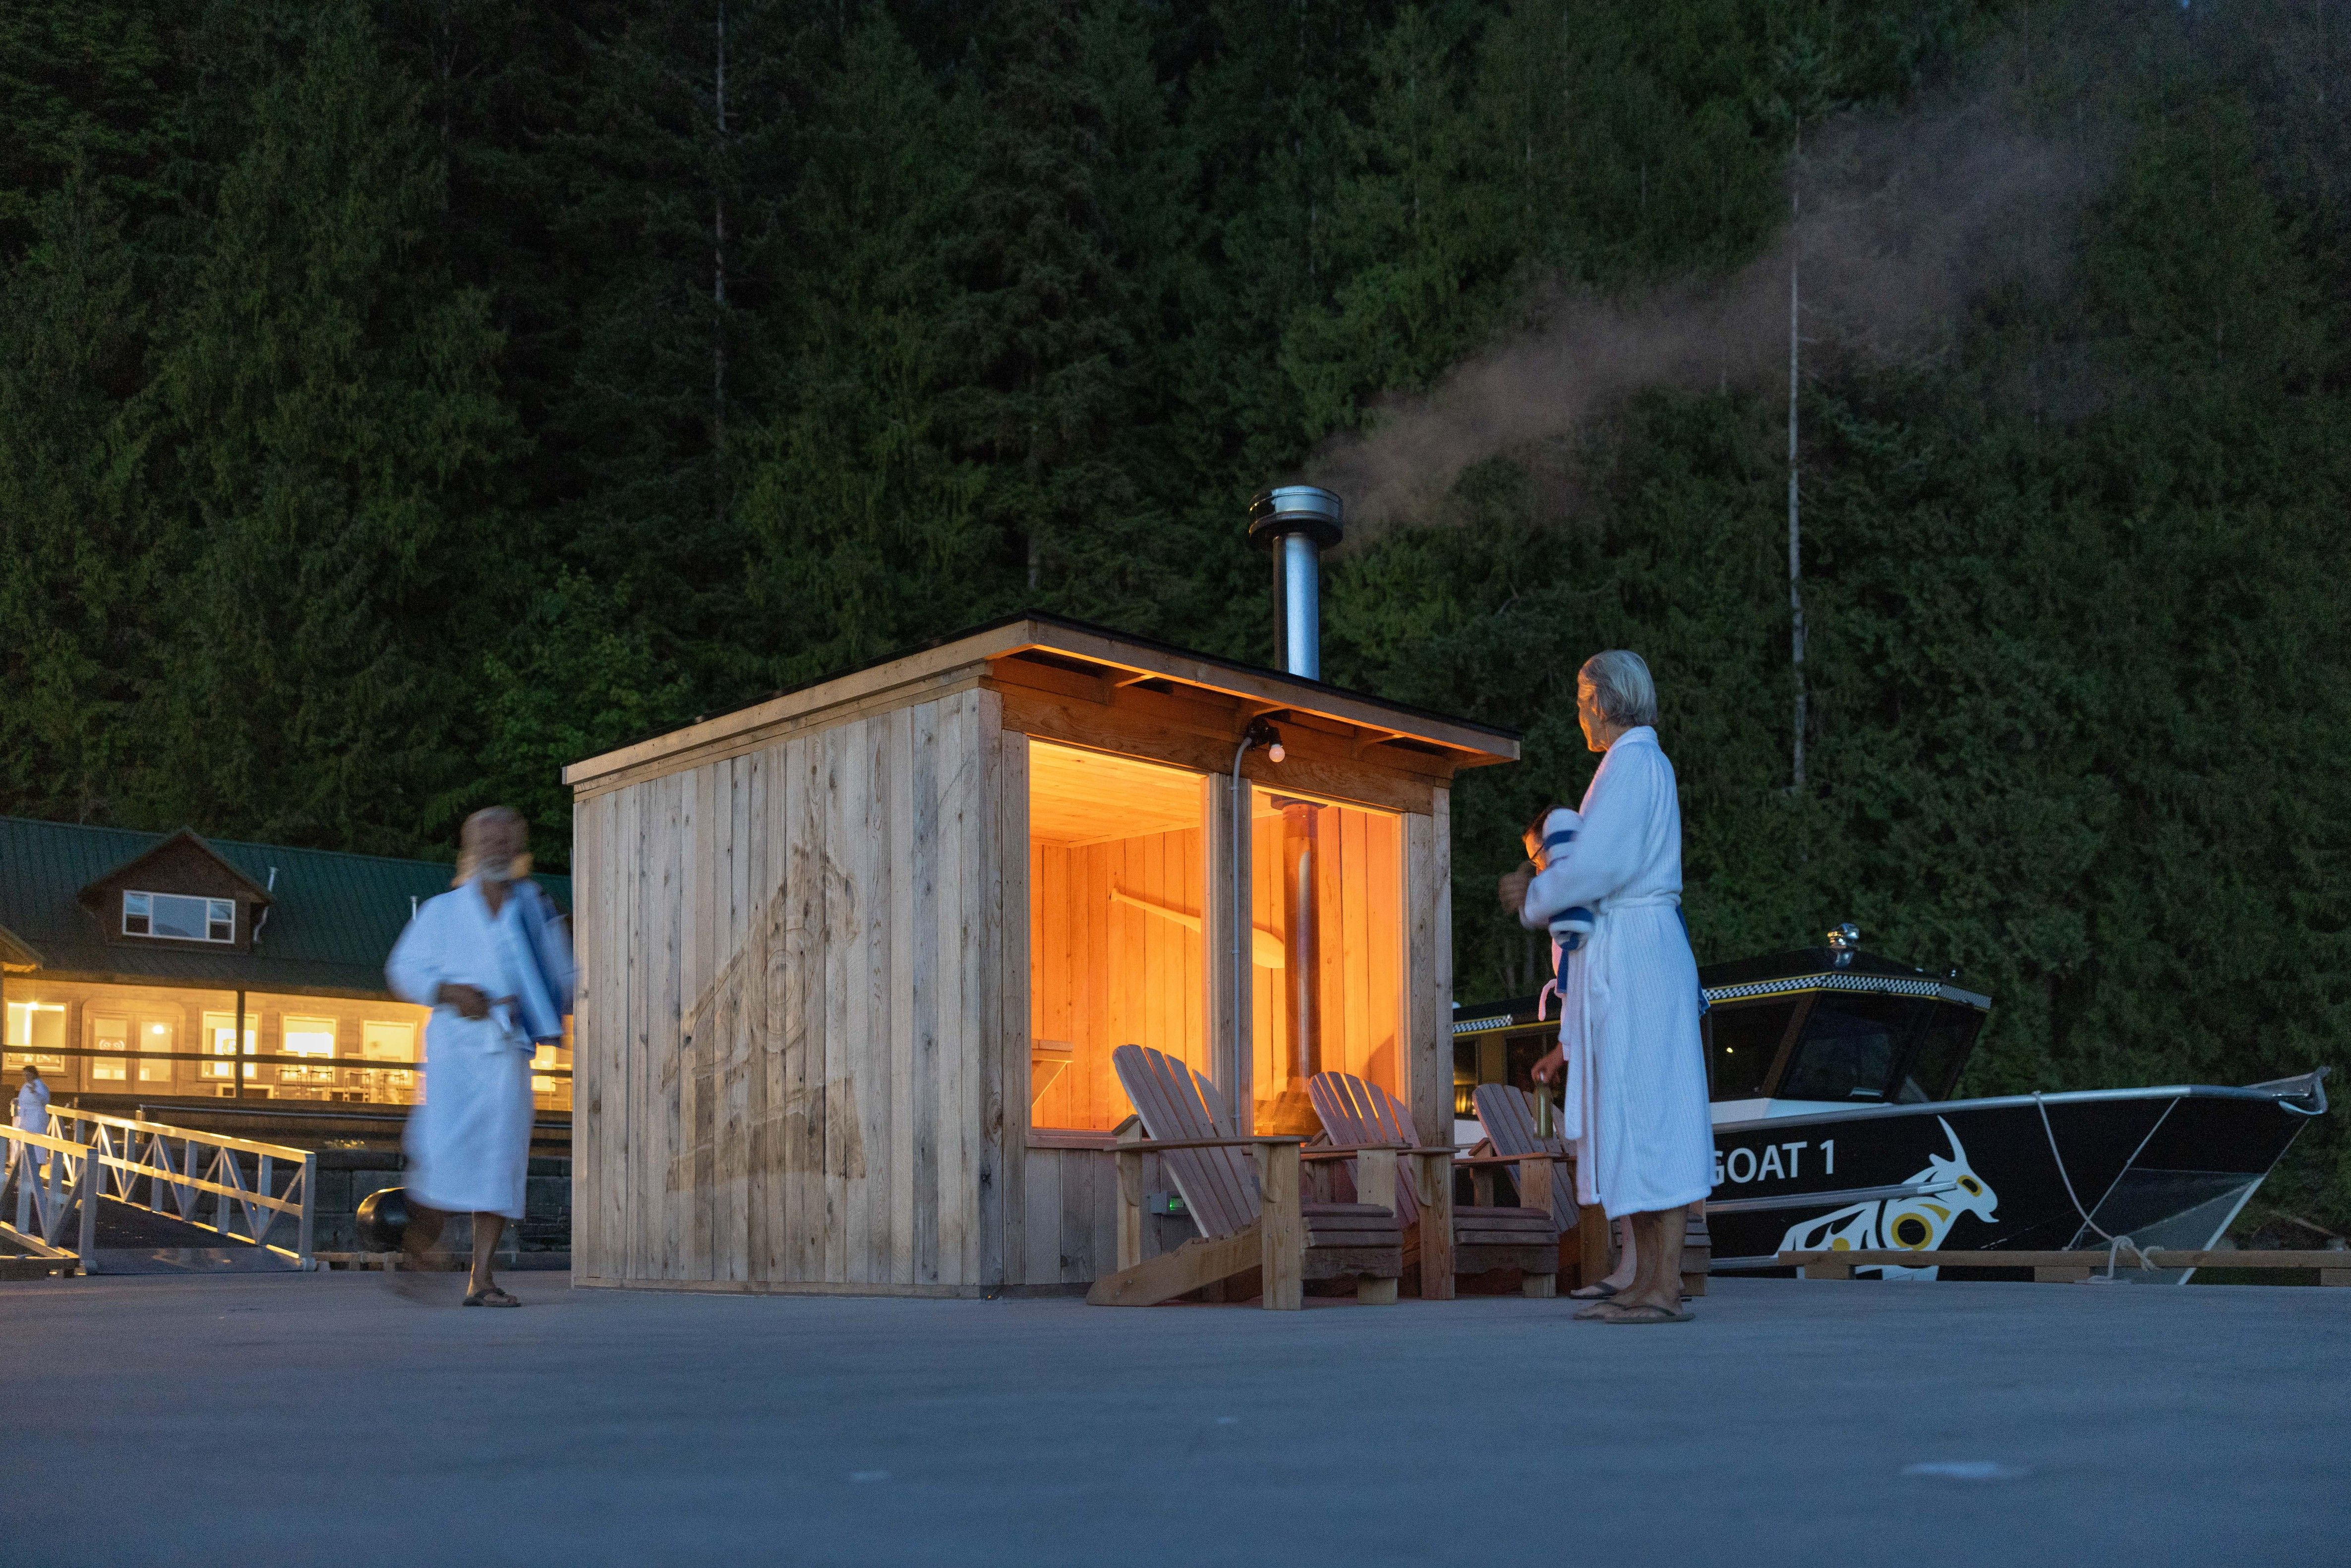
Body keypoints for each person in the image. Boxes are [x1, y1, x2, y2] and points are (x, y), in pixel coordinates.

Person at [1498, 650, 1712, 1324]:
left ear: (1602, 700)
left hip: (1639, 956)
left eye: (1580, 698)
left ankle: (1661, 1287)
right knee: (1632, 1115)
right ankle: (1645, 1280)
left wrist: (1534, 896)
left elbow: (1599, 864)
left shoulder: (1634, 765)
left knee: (1652, 1115)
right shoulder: (1631, 765)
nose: (1578, 712)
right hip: (1630, 953)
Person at [387, 807, 575, 1307]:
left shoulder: (536, 912)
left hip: (507, 1058)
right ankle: (423, 1248)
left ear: (518, 848)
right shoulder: (442, 911)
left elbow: (565, 981)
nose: (498, 848)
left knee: (500, 1161)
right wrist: (448, 990)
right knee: (441, 1153)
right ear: (471, 849)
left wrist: (531, 1005)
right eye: (487, 841)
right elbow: (402, 968)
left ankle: (482, 1278)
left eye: (506, 841)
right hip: (455, 1058)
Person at [1517, 807, 1640, 1304]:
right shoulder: (1596, 891)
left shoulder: (1581, 899)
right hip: (1607, 1031)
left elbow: (1586, 978)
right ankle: (1644, 1267)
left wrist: (1567, 1049)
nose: (1539, 869)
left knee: (1622, 1147)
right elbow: (1578, 986)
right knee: (1623, 1147)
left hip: (1615, 1033)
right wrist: (1562, 1051)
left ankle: (1638, 1270)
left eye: (1539, 858)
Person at [10, 1064, 51, 1186]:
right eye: (24, 1075)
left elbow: (44, 1100)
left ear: (33, 1074)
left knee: (36, 1146)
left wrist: (35, 1093)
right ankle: (24, 1172)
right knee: (24, 1145)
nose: (26, 1077)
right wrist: (18, 1101)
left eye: (27, 1075)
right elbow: (25, 1100)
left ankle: (35, 1173)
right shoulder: (26, 1086)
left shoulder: (41, 1086)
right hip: (26, 1120)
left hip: (36, 1119)